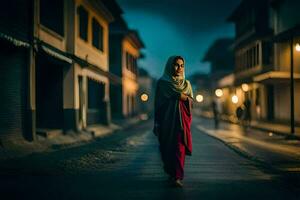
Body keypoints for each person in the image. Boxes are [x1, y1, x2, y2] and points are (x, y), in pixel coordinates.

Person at [153, 55, 194, 188]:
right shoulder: (163, 83)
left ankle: (177, 176)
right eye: (176, 65)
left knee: (178, 148)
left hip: (181, 123)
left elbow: (191, 102)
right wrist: (157, 123)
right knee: (166, 148)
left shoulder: (187, 84)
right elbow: (158, 105)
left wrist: (182, 97)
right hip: (166, 122)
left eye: (182, 65)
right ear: (170, 66)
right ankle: (171, 173)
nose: (179, 68)